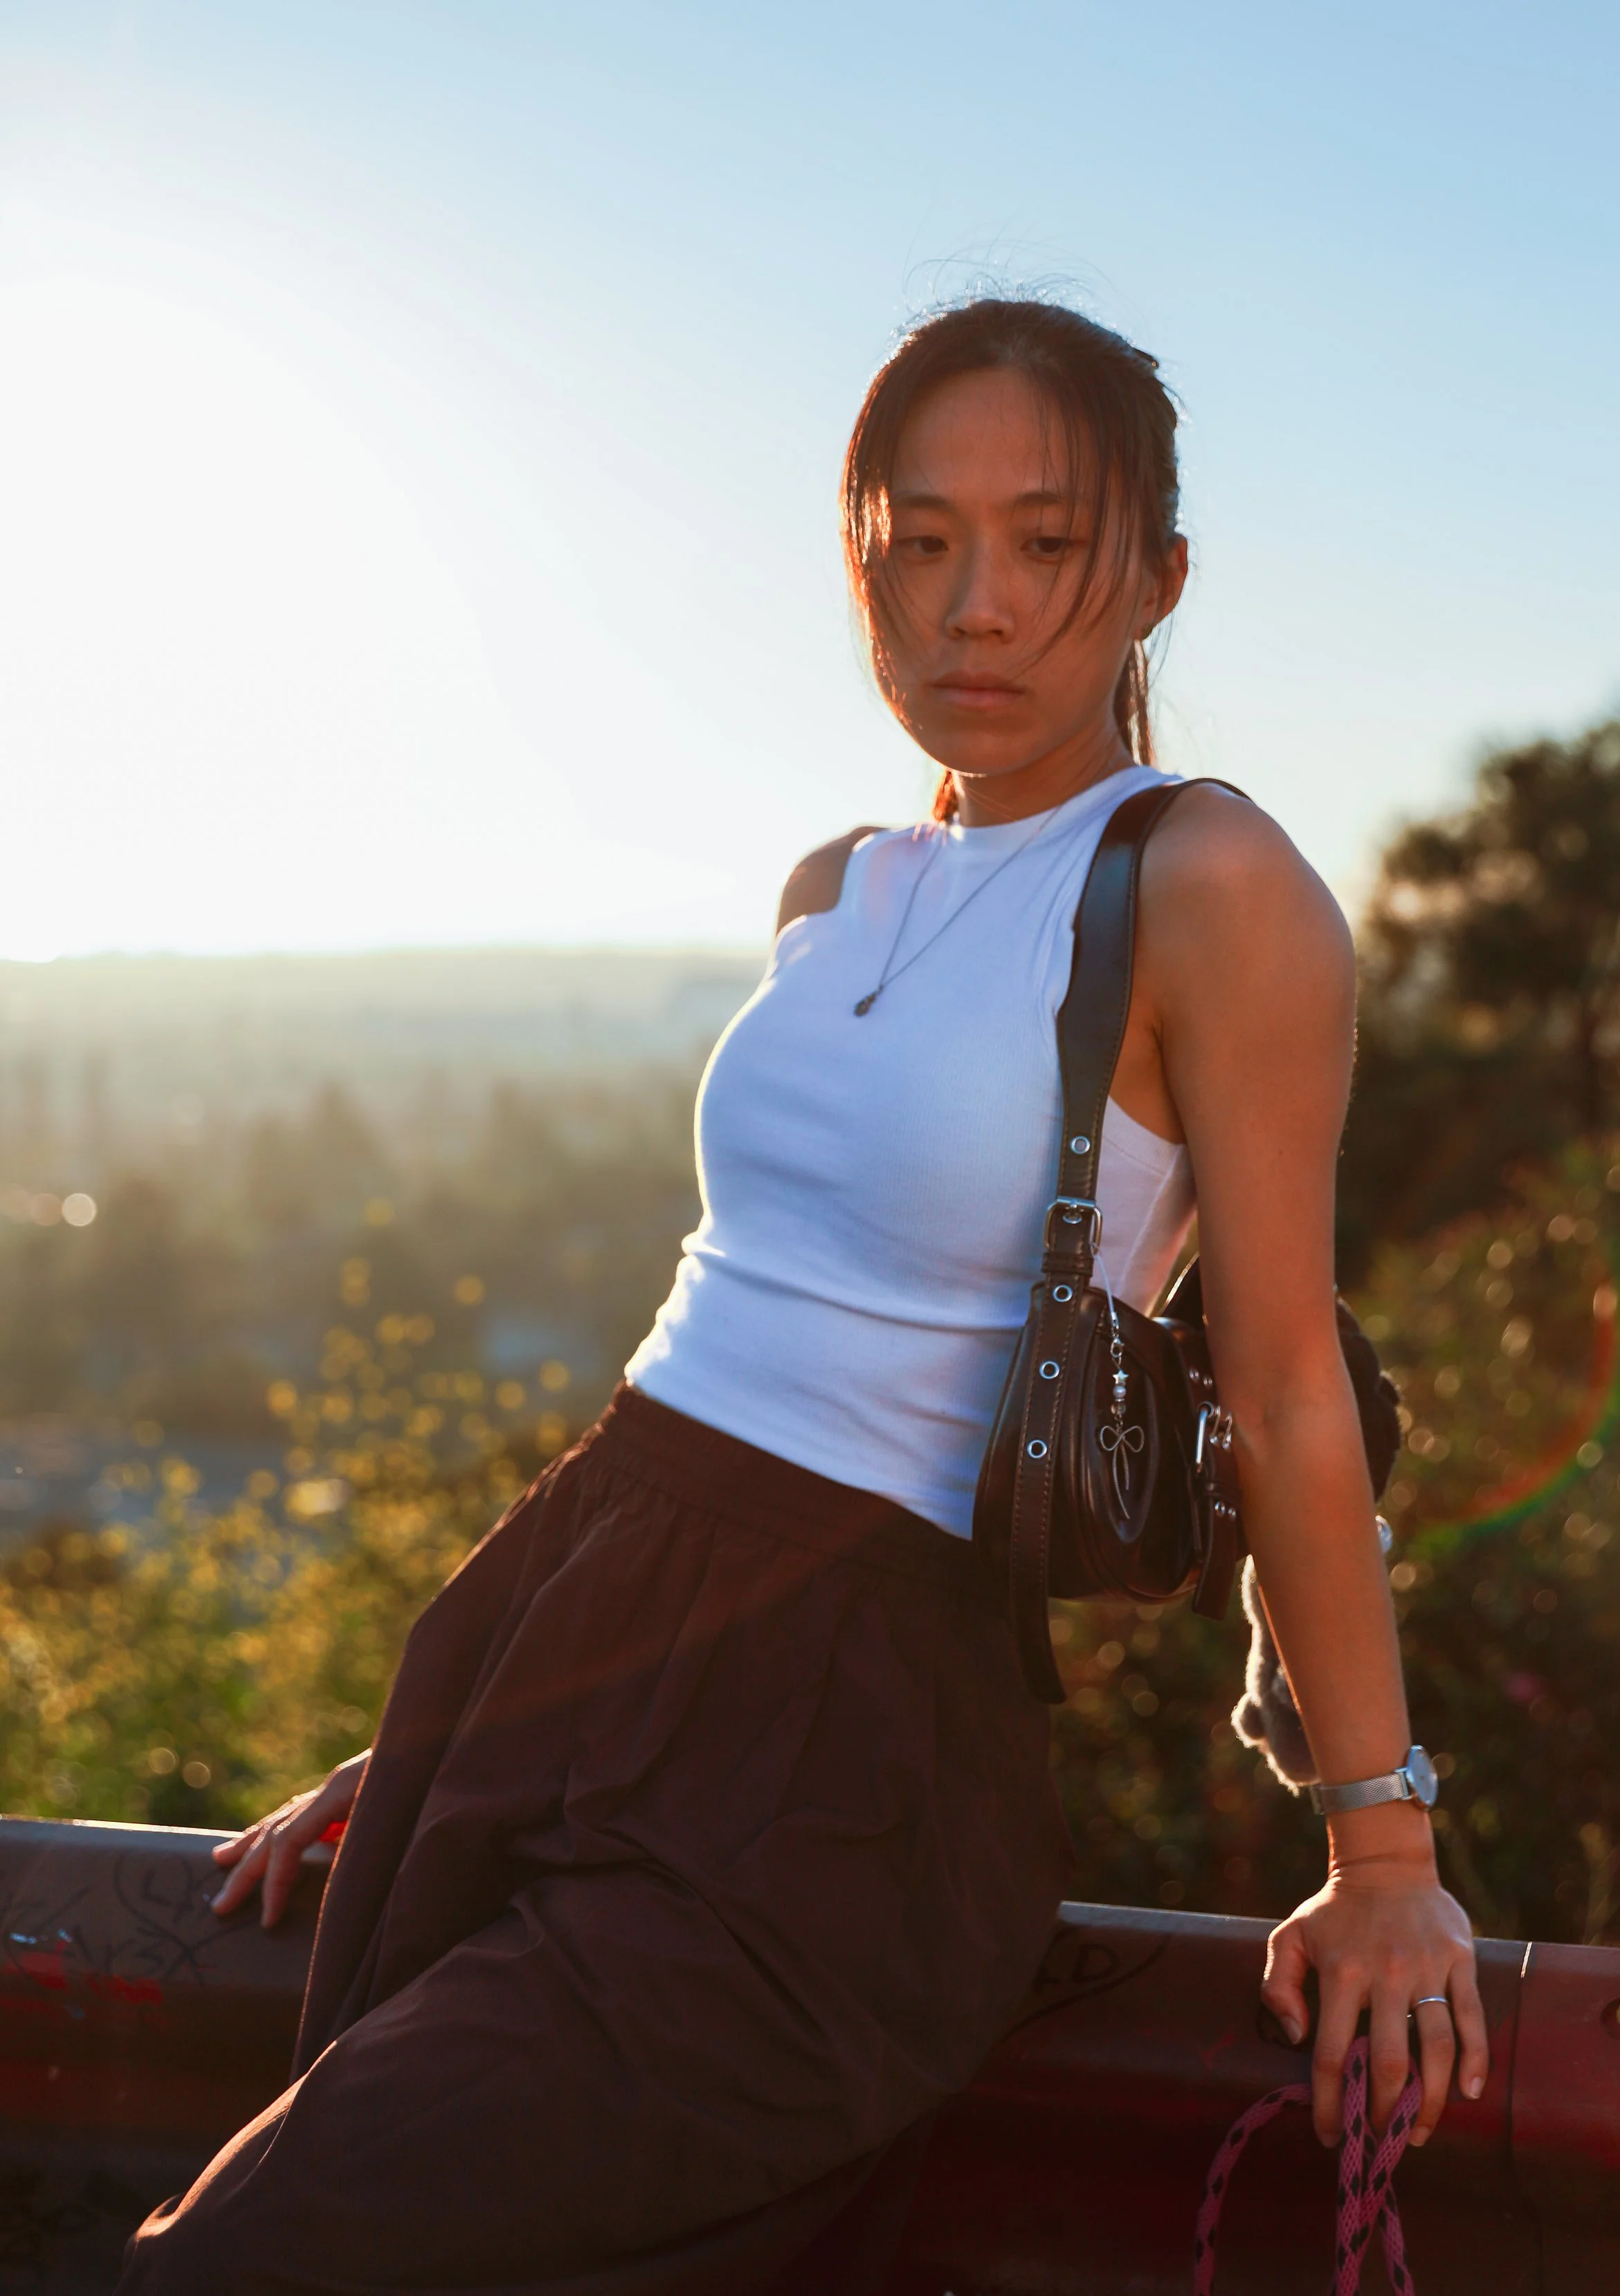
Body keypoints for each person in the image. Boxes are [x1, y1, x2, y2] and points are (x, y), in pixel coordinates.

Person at [122, 297, 1488, 2295]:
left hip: (839, 1763)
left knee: (236, 2260)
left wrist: (1381, 1856)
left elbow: (1280, 1383)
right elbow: (732, 1321)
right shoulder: (838, 881)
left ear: (1158, 578)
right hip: (568, 1639)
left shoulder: (1203, 882)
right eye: (915, 542)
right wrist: (469, 1707)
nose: (974, 606)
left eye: (1043, 542)